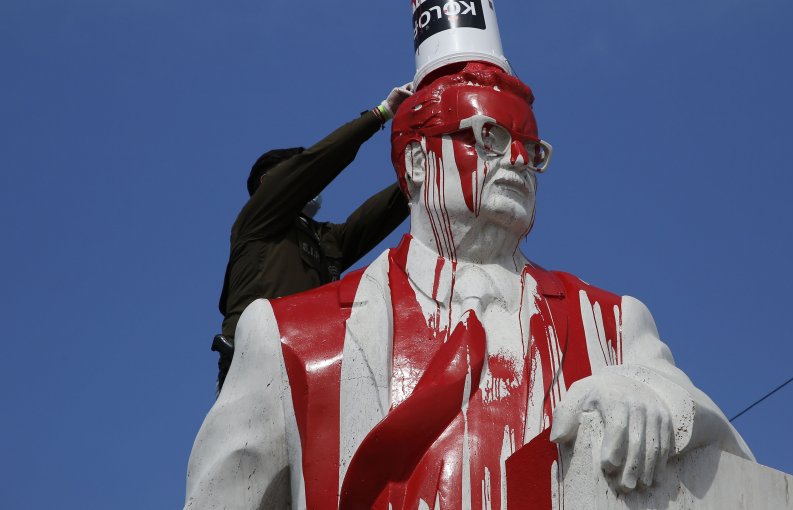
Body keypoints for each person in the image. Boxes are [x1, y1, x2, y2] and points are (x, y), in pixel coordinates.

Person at [185, 63, 753, 509]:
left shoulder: (614, 323)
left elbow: (737, 468)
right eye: (486, 137)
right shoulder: (273, 284)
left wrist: (660, 404)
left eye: (530, 148)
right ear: (414, 160)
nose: (516, 161)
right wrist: (383, 113)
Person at [212, 83, 413, 391]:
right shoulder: (257, 219)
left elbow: (379, 215)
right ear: (270, 182)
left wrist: (422, 164)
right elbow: (318, 164)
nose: (312, 186)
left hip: (314, 365)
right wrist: (380, 114)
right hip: (257, 363)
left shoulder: (324, 238)